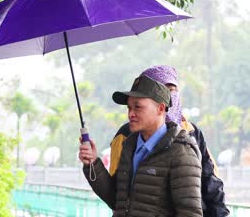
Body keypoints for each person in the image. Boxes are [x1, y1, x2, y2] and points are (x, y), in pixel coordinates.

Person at [109, 65, 230, 217]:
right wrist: (91, 165)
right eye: (163, 88)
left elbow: (211, 183)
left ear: (160, 107)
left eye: (172, 89)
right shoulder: (126, 136)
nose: (169, 94)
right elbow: (116, 192)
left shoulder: (190, 132)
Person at [79, 75, 203, 216]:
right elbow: (116, 199)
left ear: (161, 109)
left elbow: (190, 213)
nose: (131, 114)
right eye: (129, 108)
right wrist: (92, 163)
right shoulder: (129, 146)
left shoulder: (181, 152)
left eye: (138, 107)